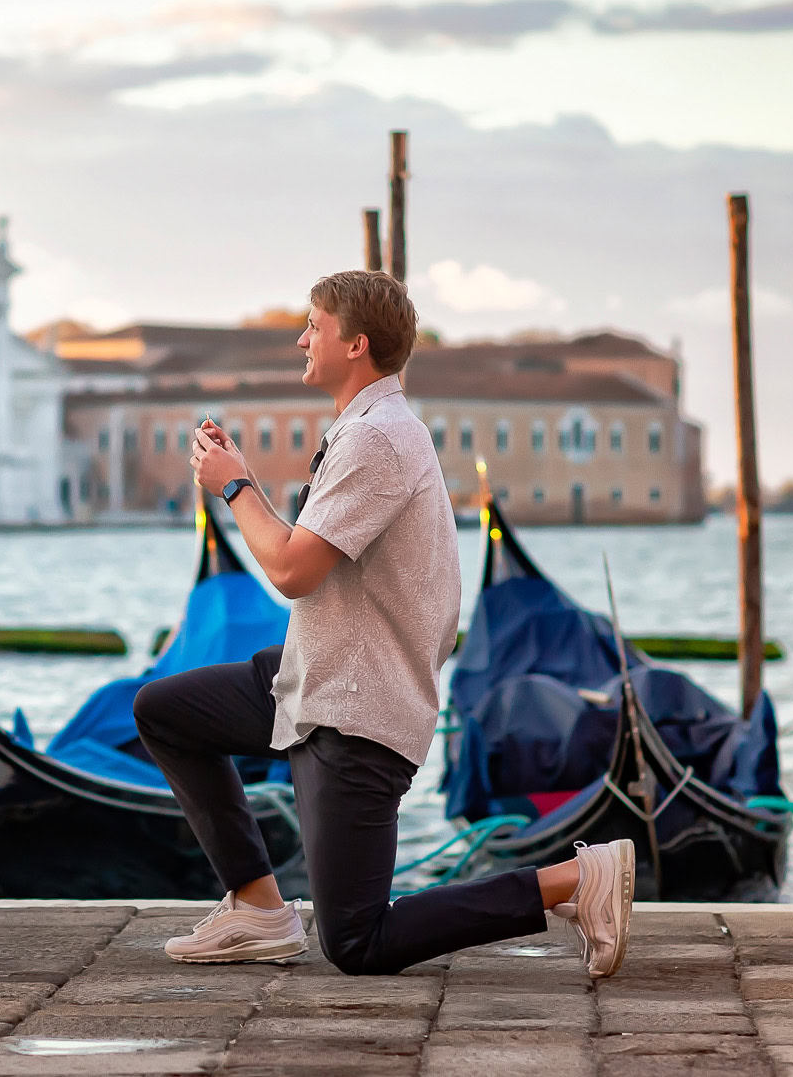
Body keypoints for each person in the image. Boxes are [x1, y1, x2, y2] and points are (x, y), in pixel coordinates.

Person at [134, 269, 635, 978]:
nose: (301, 338)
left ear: (356, 343)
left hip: (358, 707)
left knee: (358, 943)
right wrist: (240, 482)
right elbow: (305, 562)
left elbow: (289, 572)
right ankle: (256, 909)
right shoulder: (365, 431)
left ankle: (574, 882)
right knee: (166, 710)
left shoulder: (379, 440)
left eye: (314, 325)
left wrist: (236, 485)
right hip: (310, 676)